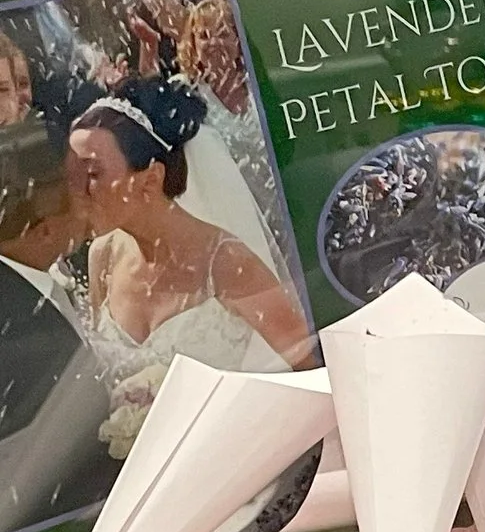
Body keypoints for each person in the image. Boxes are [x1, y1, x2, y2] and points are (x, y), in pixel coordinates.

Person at [64, 79, 313, 379]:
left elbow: (310, 368)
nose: (77, 189)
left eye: (92, 173)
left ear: (150, 179)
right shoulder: (103, 256)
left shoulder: (228, 265)